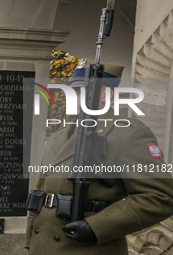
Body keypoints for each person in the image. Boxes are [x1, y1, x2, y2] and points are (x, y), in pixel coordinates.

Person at [25, 58, 173, 255]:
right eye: (73, 92)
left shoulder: (127, 134)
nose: (74, 98)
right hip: (44, 246)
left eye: (82, 92)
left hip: (88, 248)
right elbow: (40, 193)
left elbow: (160, 197)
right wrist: (30, 241)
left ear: (105, 95)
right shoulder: (59, 135)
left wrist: (97, 227)